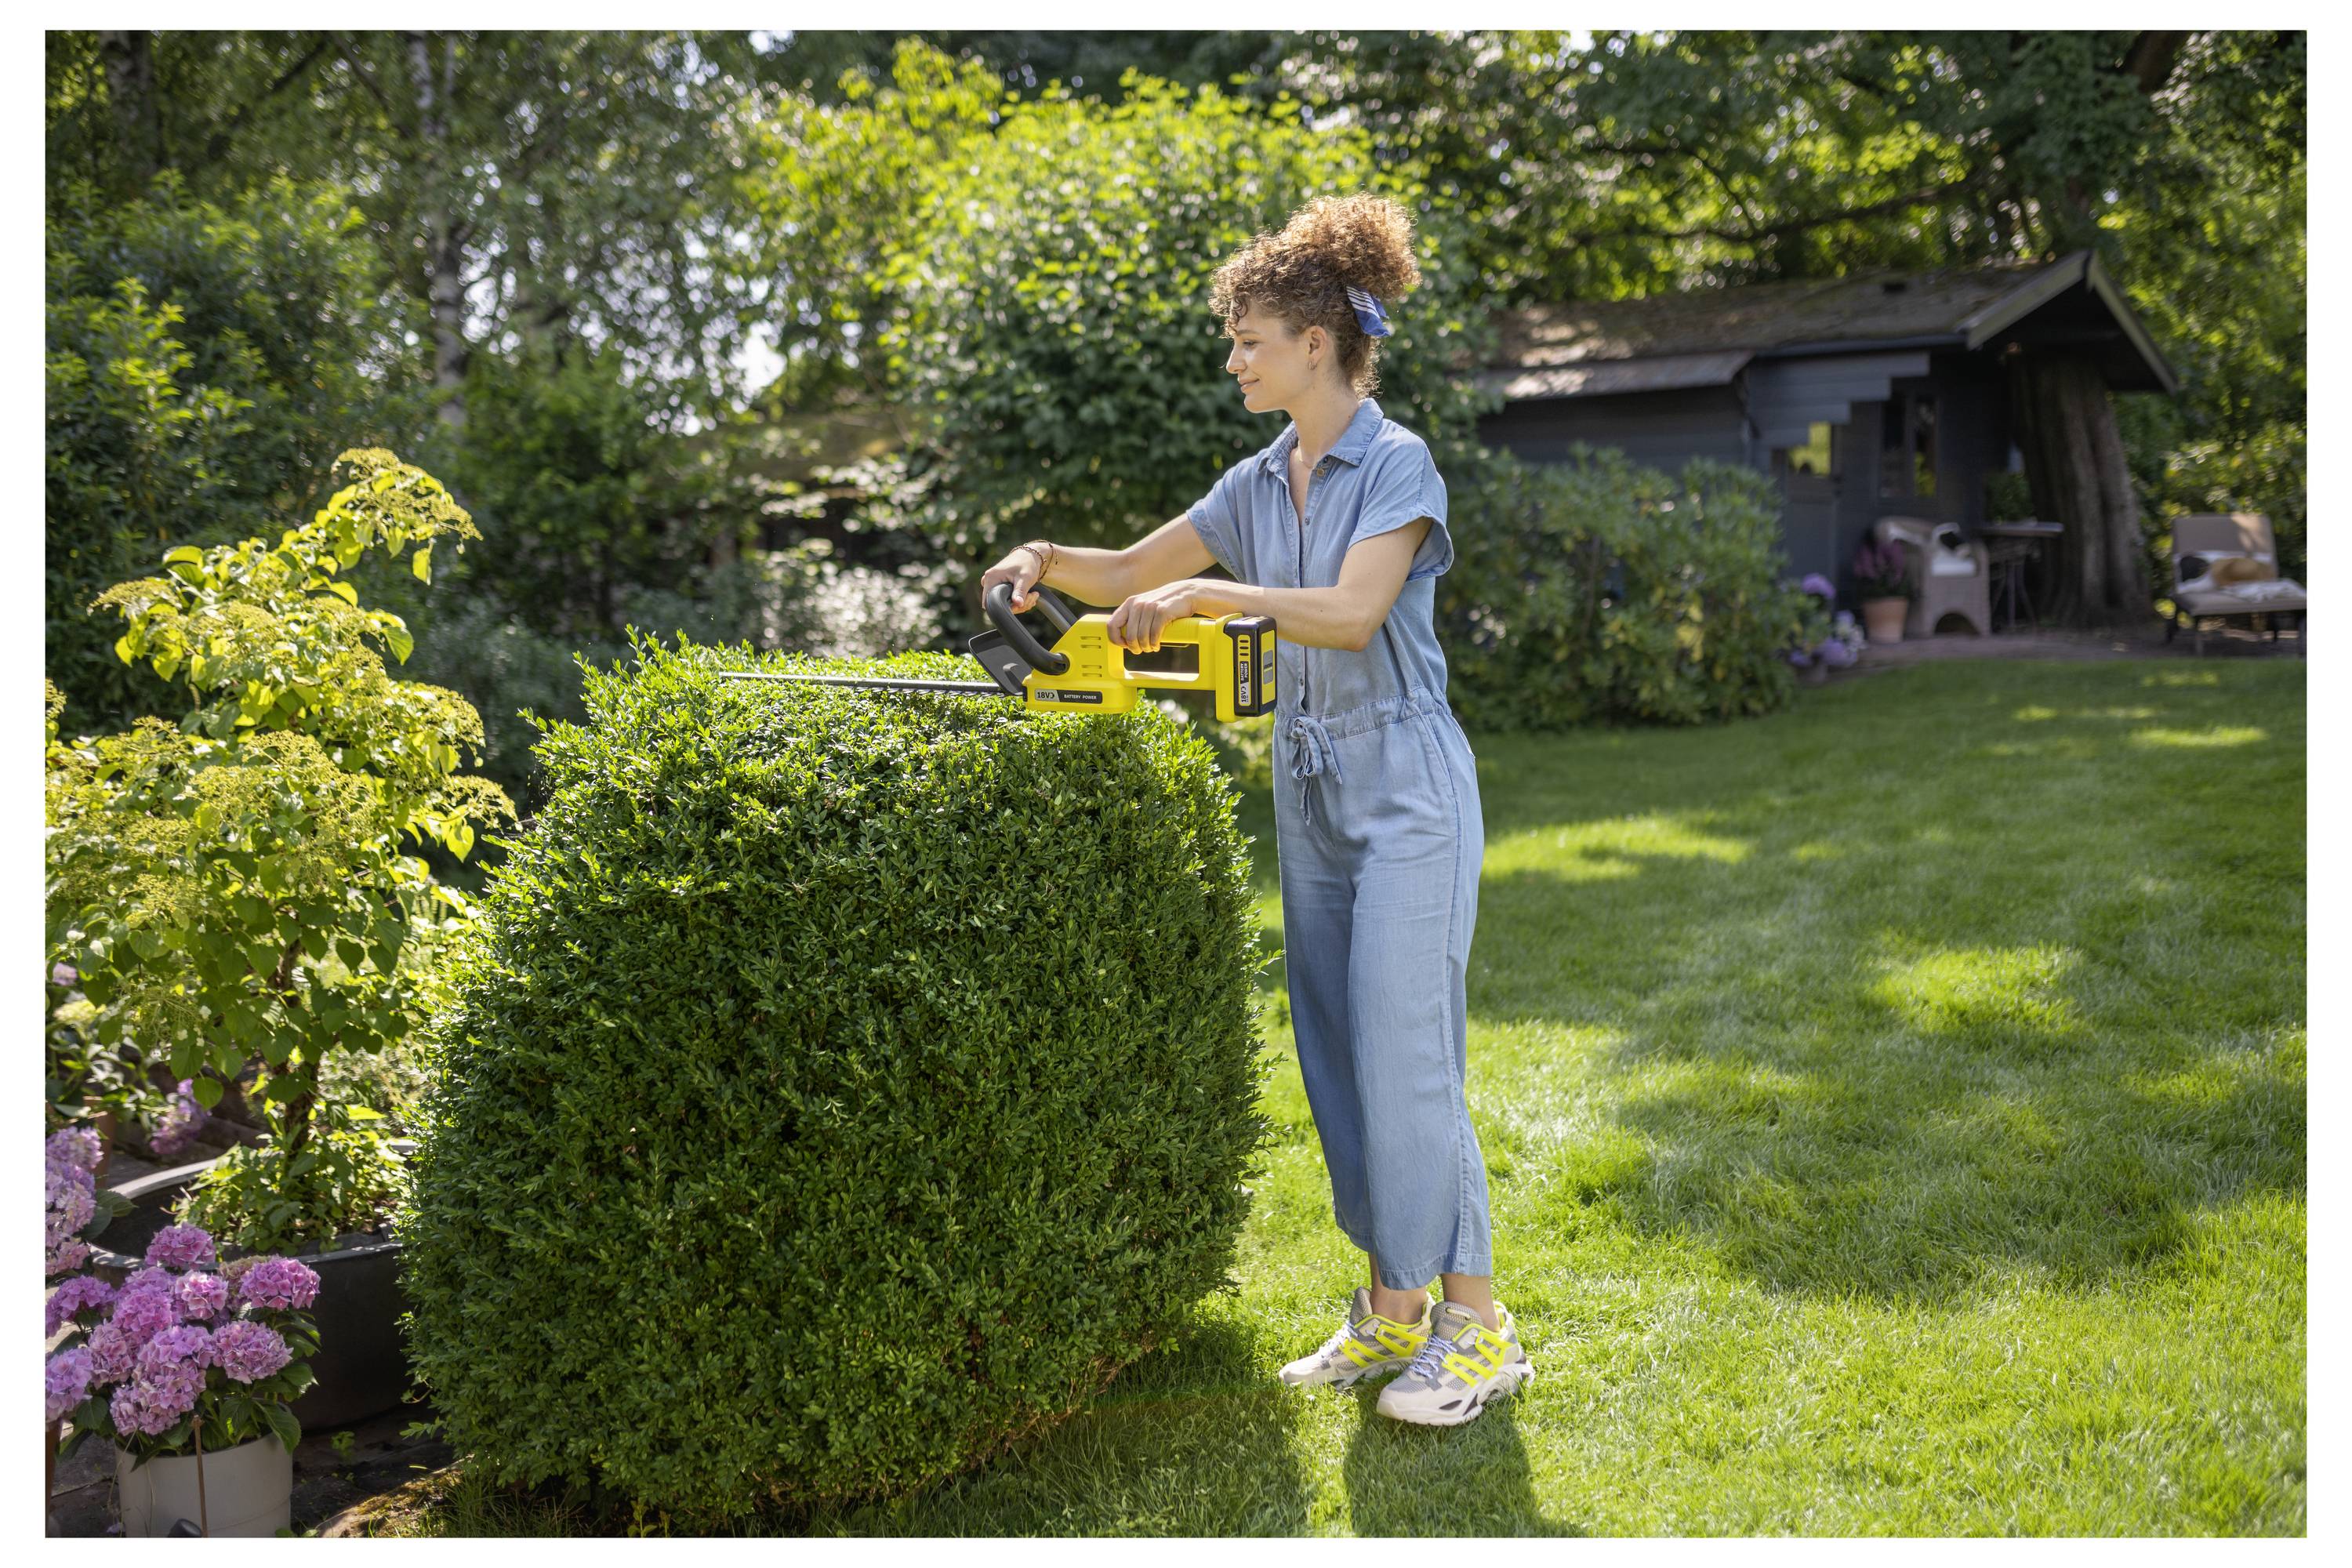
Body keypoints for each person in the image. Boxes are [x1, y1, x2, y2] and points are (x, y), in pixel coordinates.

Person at [978, 194, 1531, 1427]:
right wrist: (1041, 559)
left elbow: (1347, 614)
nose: (1236, 359)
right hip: (1314, 787)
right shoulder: (1255, 479)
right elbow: (1127, 573)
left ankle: (1480, 1328)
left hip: (1408, 790)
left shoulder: (1396, 465)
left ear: (1320, 345)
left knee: (1407, 1054)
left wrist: (1211, 607)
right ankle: (1393, 1317)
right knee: (1339, 1055)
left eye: (1253, 339)